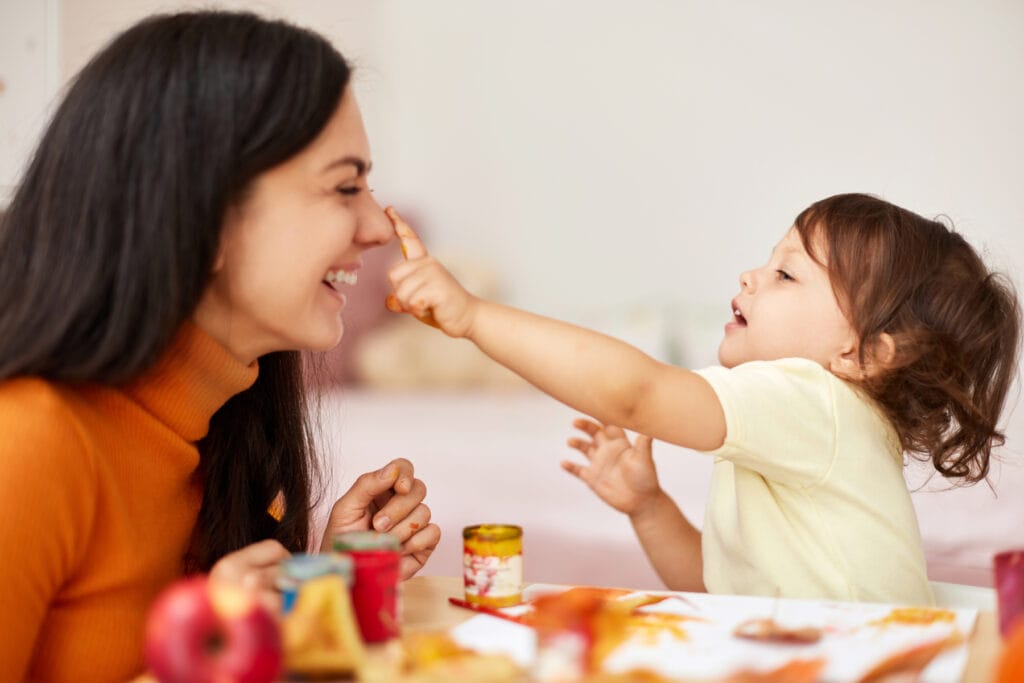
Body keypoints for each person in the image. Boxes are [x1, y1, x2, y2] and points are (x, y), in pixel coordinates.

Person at [0, 11, 440, 681]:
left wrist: (316, 587)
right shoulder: (26, 441)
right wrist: (190, 657)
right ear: (203, 216)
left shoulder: (225, 428)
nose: (379, 226)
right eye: (345, 186)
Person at [385, 194, 1021, 604]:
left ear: (863, 355)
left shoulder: (813, 399)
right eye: (768, 262)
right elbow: (719, 589)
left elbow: (635, 392)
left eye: (786, 274)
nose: (750, 275)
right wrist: (649, 507)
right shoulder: (805, 429)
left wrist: (471, 316)